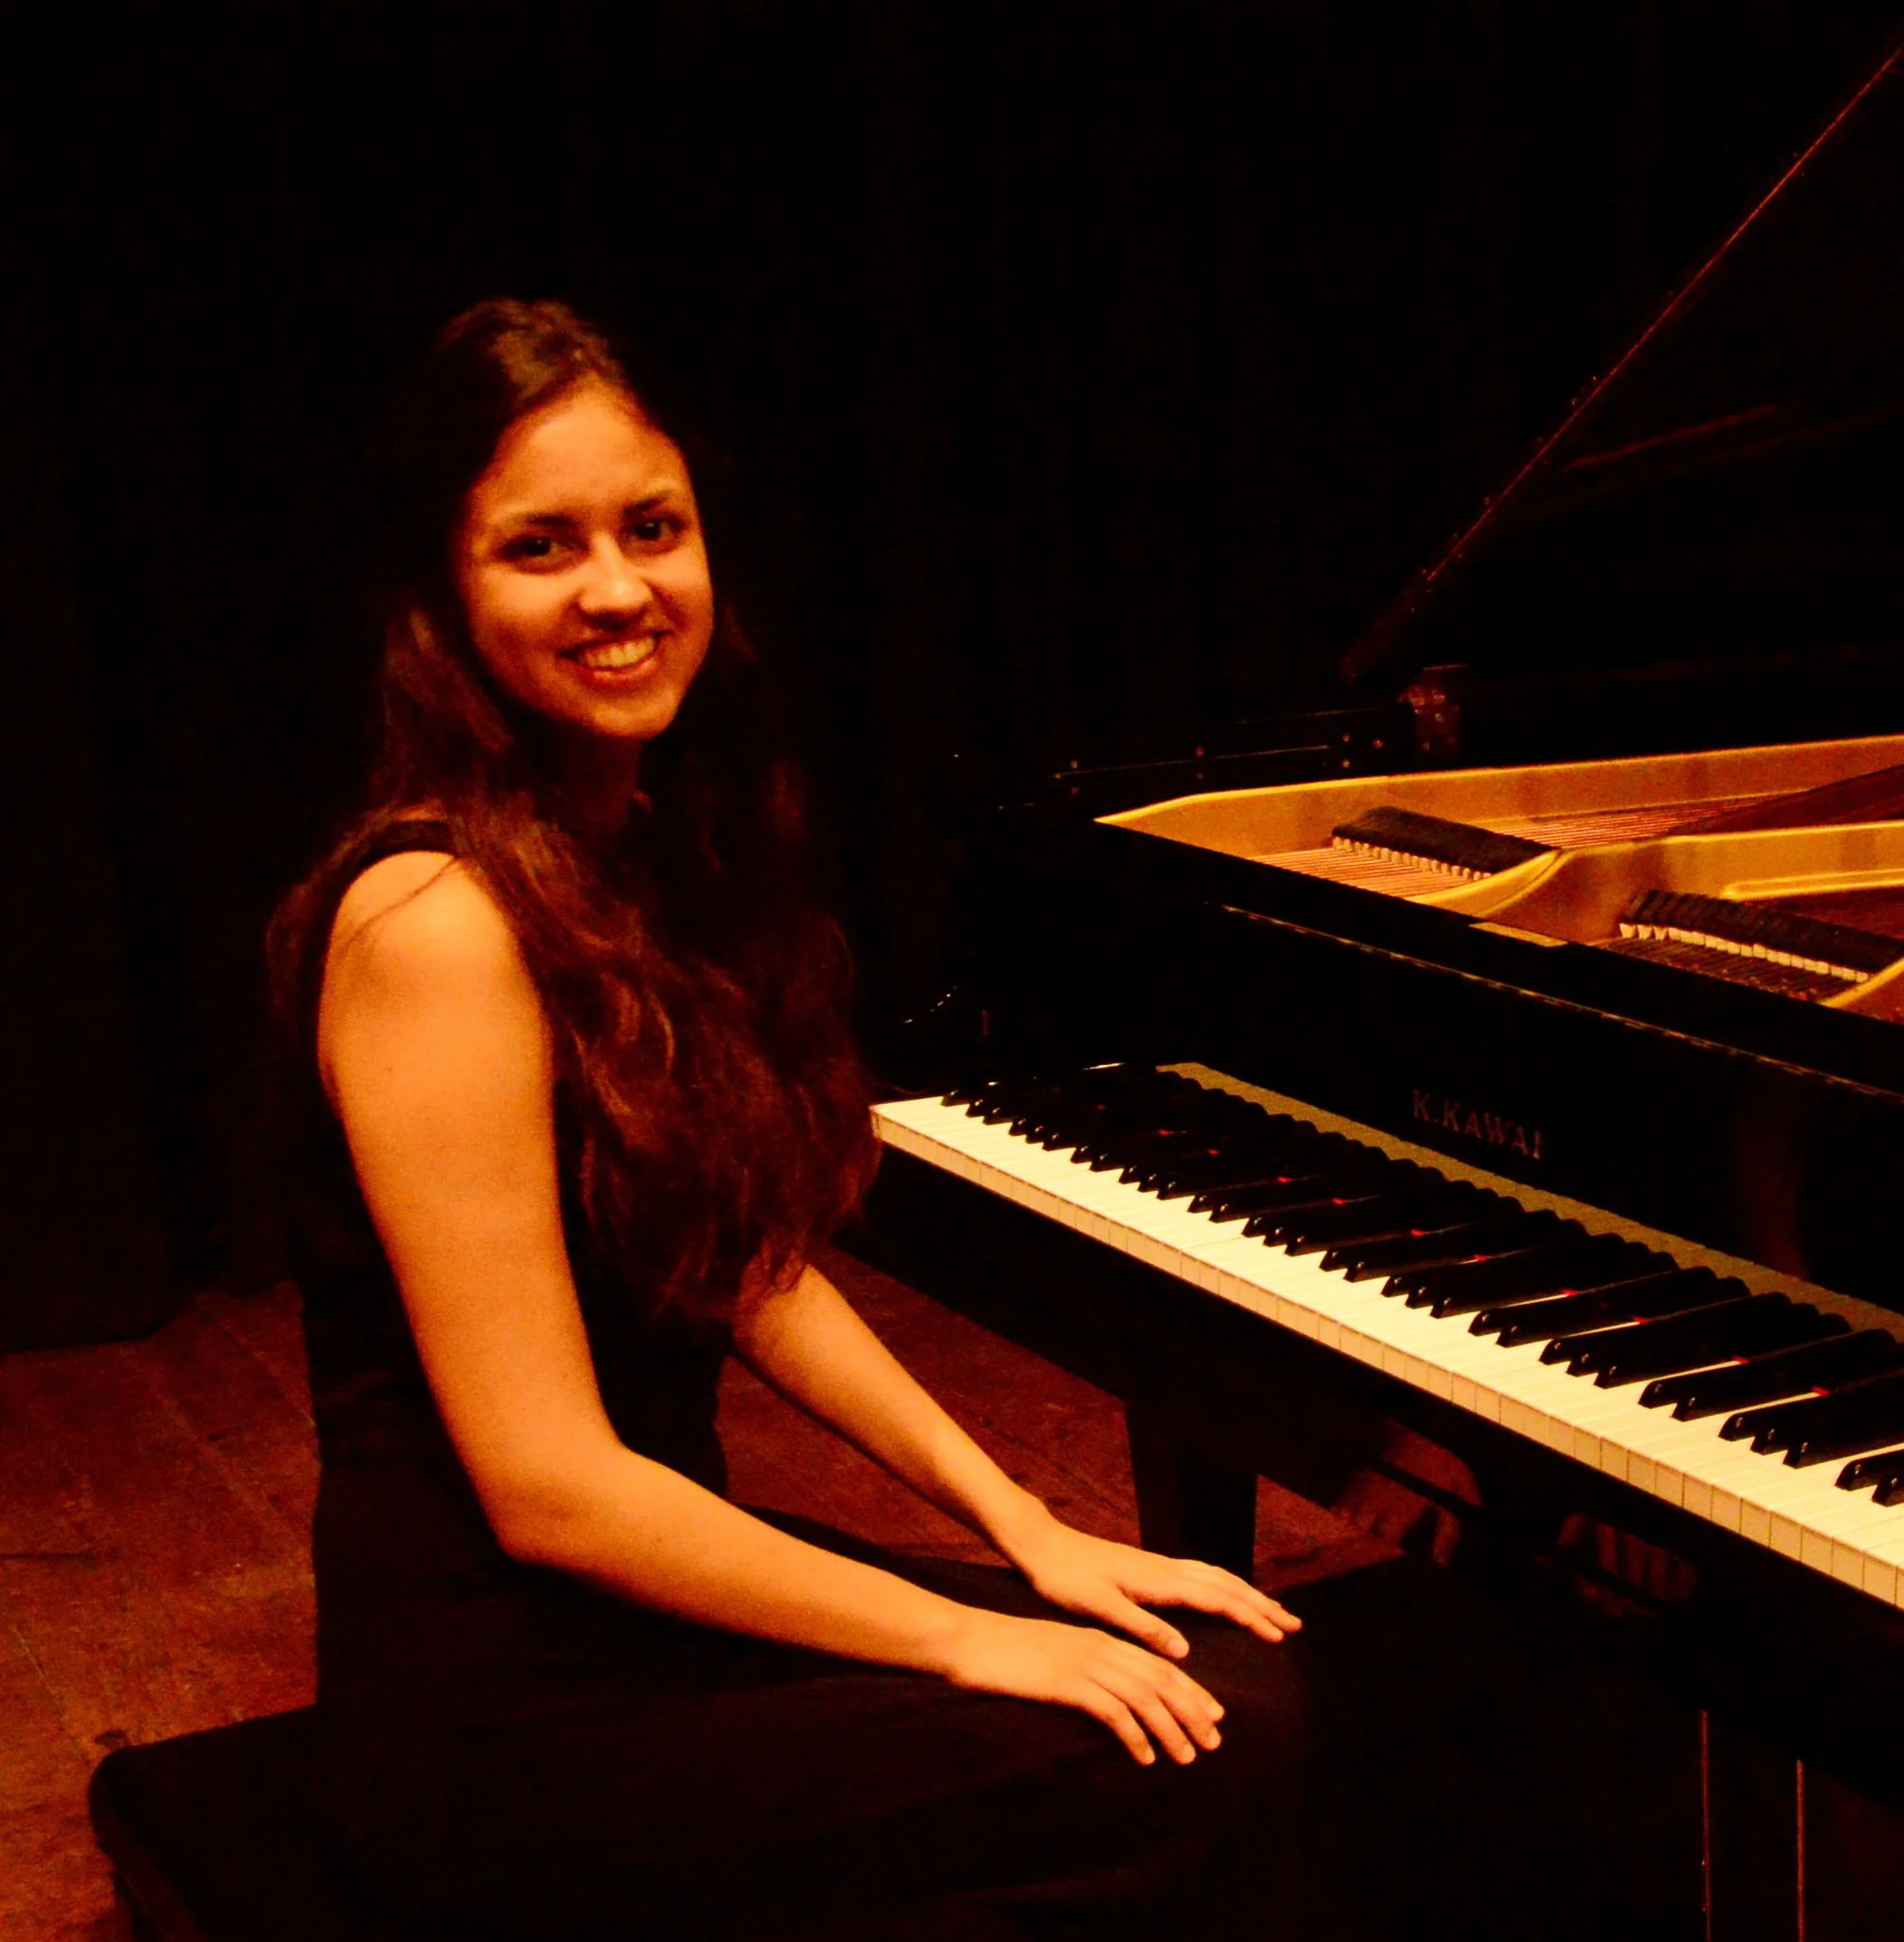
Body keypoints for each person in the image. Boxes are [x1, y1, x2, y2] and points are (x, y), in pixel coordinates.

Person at [267, 299, 1311, 1941]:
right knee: (1208, 1743)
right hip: (503, 1711)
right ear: (440, 597)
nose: (619, 588)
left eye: (652, 528)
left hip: (634, 1606)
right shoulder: (434, 926)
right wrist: (968, 1634)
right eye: (541, 546)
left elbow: (740, 1262)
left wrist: (1029, 1532)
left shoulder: (635, 850)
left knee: (1221, 1672)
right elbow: (548, 1488)